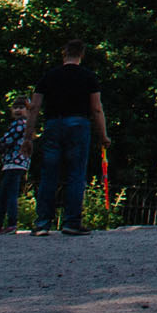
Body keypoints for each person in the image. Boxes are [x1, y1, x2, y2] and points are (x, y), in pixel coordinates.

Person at [29, 41, 107, 236]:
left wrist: (27, 136)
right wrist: (103, 135)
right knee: (75, 174)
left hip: (53, 124)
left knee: (49, 174)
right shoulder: (88, 77)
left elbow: (35, 107)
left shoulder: (49, 76)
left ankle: (42, 222)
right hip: (78, 124)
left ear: (63, 54)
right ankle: (71, 221)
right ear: (82, 55)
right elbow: (96, 108)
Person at [0, 97, 32, 235]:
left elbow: (7, 140)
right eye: (15, 107)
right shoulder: (24, 124)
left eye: (21, 108)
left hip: (14, 163)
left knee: (9, 193)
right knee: (4, 193)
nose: (17, 110)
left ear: (28, 110)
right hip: (14, 163)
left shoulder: (20, 124)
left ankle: (11, 223)